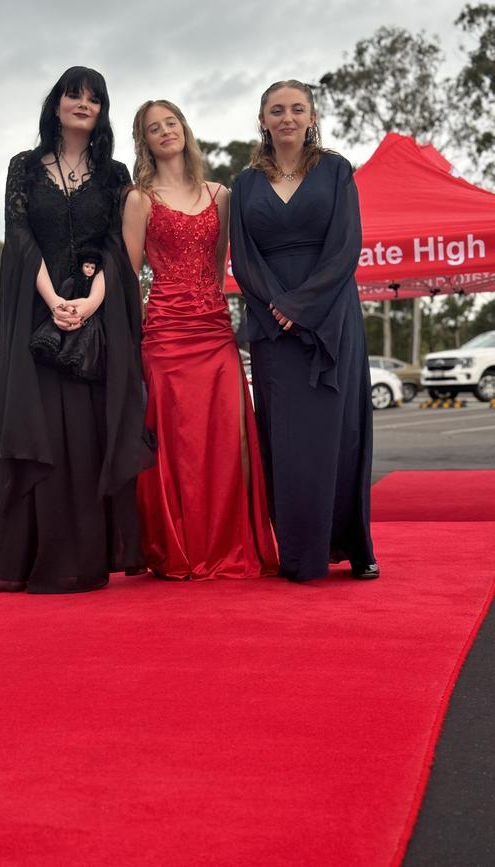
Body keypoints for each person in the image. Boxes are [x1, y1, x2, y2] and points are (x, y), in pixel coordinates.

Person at [0, 66, 153, 593]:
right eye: (73, 95)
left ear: (102, 111)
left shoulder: (114, 174)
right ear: (56, 104)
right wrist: (56, 300)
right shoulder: (24, 167)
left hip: (95, 320)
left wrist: (89, 303)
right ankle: (23, 559)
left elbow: (117, 247)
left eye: (93, 98)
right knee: (38, 430)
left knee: (85, 434)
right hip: (37, 316)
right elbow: (19, 239)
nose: (82, 104)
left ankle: (82, 562)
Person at [230, 79, 379, 582]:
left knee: (341, 435)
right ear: (263, 120)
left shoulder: (336, 171)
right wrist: (278, 306)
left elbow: (346, 246)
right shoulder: (245, 183)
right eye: (277, 109)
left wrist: (303, 304)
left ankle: (354, 546)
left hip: (332, 318)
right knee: (287, 442)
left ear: (311, 117)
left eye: (297, 109)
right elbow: (243, 259)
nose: (288, 117)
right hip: (273, 328)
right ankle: (298, 555)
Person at [122, 99, 277, 580]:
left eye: (171, 123)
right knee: (177, 441)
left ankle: (229, 544)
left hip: (212, 328)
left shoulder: (221, 195)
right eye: (154, 128)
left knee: (226, 436)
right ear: (144, 141)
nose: (165, 132)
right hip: (165, 332)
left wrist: (210, 306)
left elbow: (217, 267)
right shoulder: (138, 198)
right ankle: (177, 547)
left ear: (184, 130)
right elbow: (129, 275)